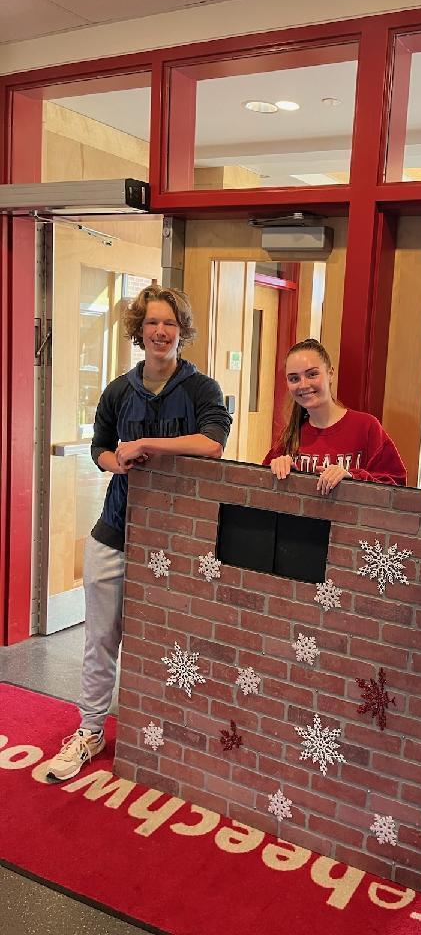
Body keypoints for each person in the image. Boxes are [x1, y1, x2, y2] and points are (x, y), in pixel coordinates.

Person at [47, 284, 232, 781]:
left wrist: (146, 443)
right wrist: (117, 462)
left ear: (181, 331)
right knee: (100, 639)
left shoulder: (202, 389)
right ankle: (90, 729)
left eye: (169, 322)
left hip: (177, 541)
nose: (160, 331)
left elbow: (212, 444)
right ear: (139, 330)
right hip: (114, 532)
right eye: (151, 322)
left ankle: (167, 737)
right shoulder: (118, 390)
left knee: (169, 643)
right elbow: (101, 448)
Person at [263, 338, 406, 489]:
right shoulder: (290, 435)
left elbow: (397, 485)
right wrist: (276, 471)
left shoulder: (366, 427)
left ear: (330, 374)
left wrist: (353, 478)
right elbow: (260, 486)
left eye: (312, 374)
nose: (303, 384)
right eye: (294, 378)